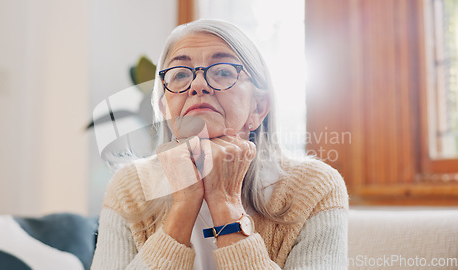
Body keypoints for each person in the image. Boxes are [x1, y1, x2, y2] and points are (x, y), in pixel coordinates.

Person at [91, 19, 348, 270]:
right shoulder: (130, 187)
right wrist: (183, 206)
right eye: (180, 74)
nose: (198, 84)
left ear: (258, 108)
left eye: (223, 71)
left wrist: (226, 205)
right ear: (164, 109)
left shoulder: (315, 188)